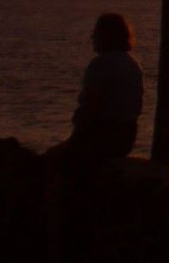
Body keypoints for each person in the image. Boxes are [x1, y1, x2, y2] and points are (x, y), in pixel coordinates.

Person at [49, 13, 144, 171]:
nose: (92, 38)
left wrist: (74, 139)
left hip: (102, 137)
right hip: (126, 137)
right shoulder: (133, 65)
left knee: (50, 160)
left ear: (104, 37)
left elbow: (89, 106)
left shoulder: (101, 64)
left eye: (96, 34)